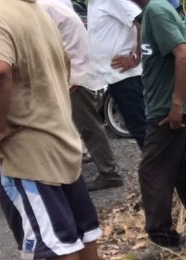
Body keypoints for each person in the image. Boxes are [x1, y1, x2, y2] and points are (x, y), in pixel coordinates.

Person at [0, 0, 113, 260]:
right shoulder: (33, 9)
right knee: (80, 220)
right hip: (56, 131)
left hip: (24, 145)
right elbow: (65, 61)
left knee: (52, 228)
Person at [132, 0, 186, 260]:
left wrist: (176, 104)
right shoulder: (153, 11)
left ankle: (163, 240)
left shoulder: (156, 10)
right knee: (185, 167)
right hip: (168, 107)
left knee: (152, 170)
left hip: (166, 111)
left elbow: (184, 56)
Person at [38, 0, 124, 191]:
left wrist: (71, 79)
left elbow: (53, 46)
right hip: (79, 70)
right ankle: (84, 157)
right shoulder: (51, 5)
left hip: (77, 75)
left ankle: (109, 173)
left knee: (89, 126)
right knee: (80, 123)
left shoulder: (41, 8)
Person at [87, 0, 147, 148]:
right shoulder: (93, 4)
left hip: (126, 76)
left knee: (141, 128)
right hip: (114, 77)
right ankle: (155, 166)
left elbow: (142, 20)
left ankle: (158, 168)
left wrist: (136, 56)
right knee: (137, 126)